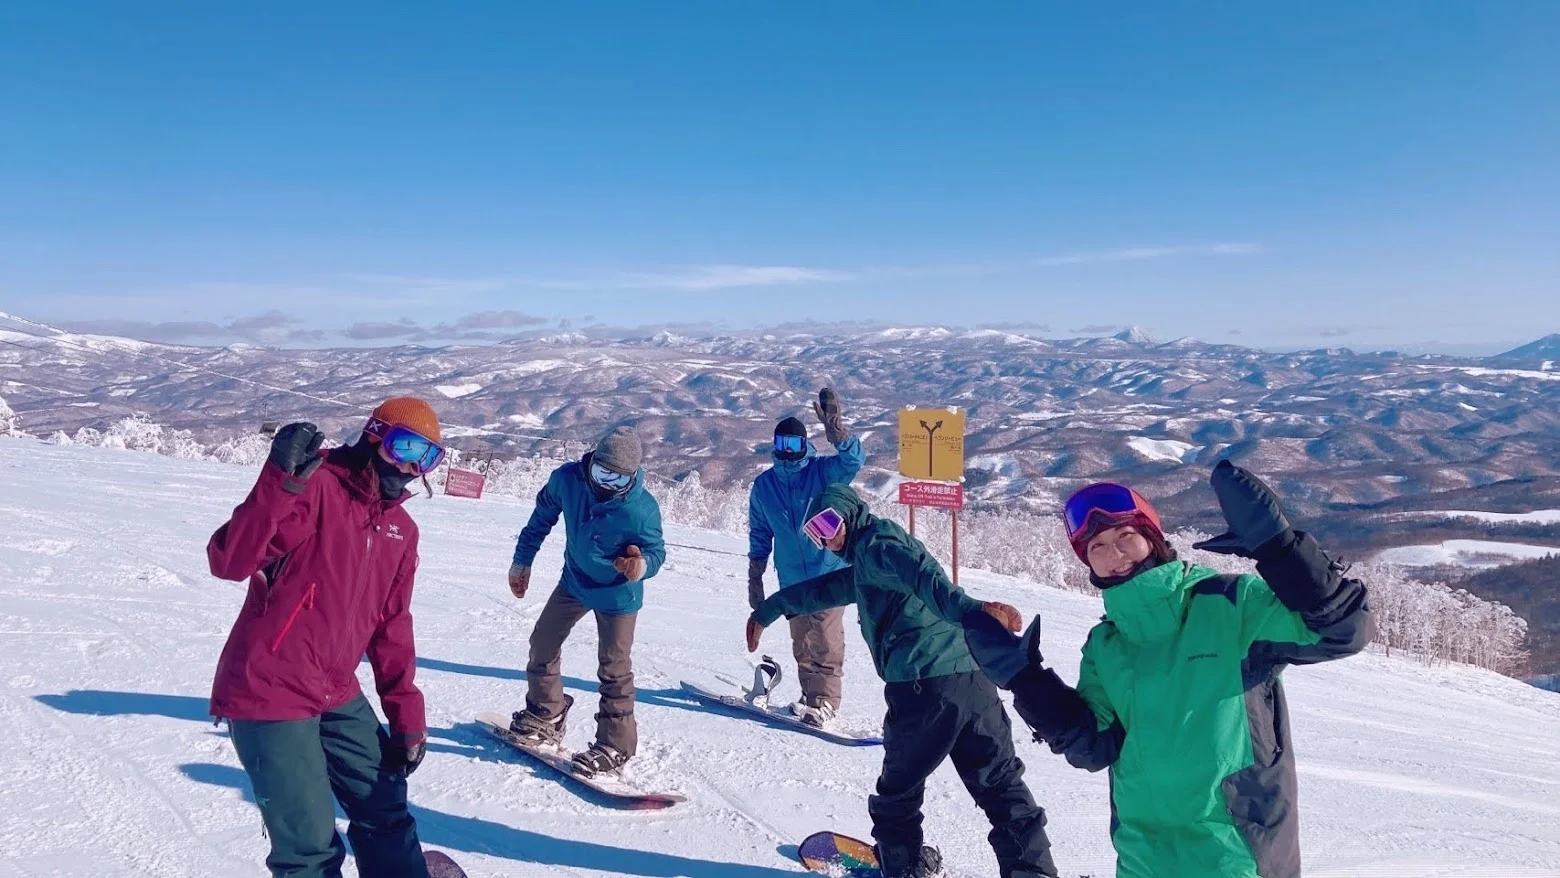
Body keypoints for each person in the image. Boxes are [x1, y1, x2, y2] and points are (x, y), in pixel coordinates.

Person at [964, 460, 1374, 878]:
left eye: (1125, 536)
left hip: (1235, 856)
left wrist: (1281, 550)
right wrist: (1025, 680)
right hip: (1142, 857)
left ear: (1153, 539)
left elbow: (1342, 630)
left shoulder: (1231, 605)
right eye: (1097, 548)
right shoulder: (1106, 645)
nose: (1114, 554)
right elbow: (1092, 746)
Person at [746, 483, 1061, 878]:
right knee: (1000, 785)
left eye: (830, 522)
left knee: (898, 795)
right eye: (816, 533)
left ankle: (904, 869)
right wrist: (769, 611)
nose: (828, 538)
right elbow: (826, 589)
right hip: (971, 677)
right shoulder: (868, 561)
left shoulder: (878, 548)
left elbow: (923, 577)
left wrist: (972, 610)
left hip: (922, 688)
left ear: (851, 512)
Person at [207, 397, 446, 878]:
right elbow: (229, 561)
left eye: (428, 457)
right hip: (268, 688)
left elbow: (392, 624)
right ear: (374, 435)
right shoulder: (315, 486)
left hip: (334, 688)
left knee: (385, 807)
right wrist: (278, 480)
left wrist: (406, 716)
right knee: (310, 847)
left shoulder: (401, 528)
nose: (412, 466)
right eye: (404, 447)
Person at [506, 425, 666, 776]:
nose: (607, 483)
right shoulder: (568, 481)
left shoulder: (641, 509)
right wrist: (522, 560)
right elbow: (541, 518)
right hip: (575, 581)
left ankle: (615, 744)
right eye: (602, 472)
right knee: (542, 642)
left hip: (618, 595)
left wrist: (640, 566)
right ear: (591, 461)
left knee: (614, 667)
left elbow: (656, 553)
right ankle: (546, 712)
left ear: (633, 477)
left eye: (618, 479)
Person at [747, 387, 865, 727]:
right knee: (802, 643)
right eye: (782, 445)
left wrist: (840, 436)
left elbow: (853, 461)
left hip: (828, 572)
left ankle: (826, 701)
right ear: (775, 446)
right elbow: (759, 532)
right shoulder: (764, 485)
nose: (788, 452)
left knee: (826, 641)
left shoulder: (821, 472)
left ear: (805, 446)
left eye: (794, 445)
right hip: (791, 578)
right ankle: (809, 697)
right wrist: (755, 573)